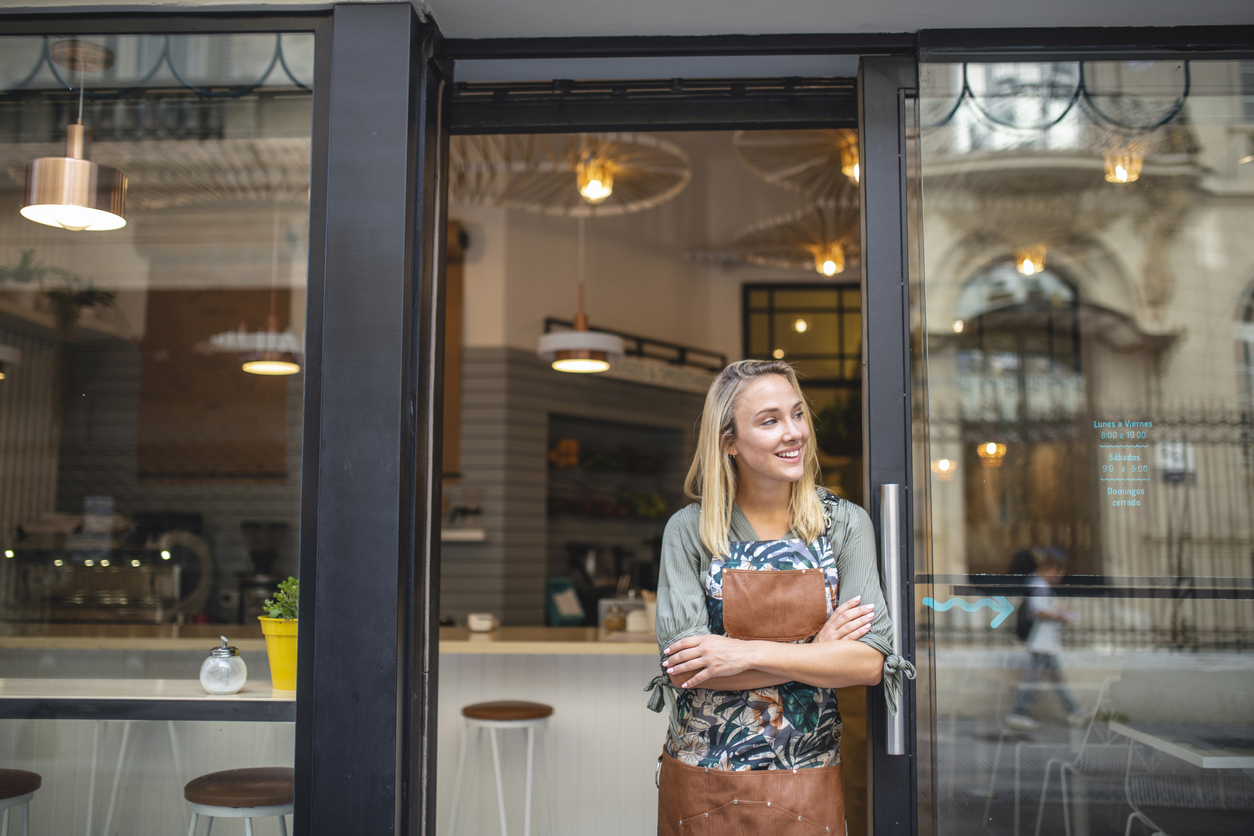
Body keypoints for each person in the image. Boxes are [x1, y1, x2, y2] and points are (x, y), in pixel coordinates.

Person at [646, 359, 914, 836]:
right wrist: (817, 654)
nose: (793, 432)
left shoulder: (843, 525)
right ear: (728, 441)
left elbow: (870, 663)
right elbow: (688, 670)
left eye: (797, 414)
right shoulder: (689, 531)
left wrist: (741, 653)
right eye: (769, 420)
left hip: (807, 773)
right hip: (704, 777)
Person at [1004, 547, 1086, 731]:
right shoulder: (1040, 586)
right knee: (1034, 681)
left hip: (1045, 642)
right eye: (1059, 573)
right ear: (1051, 570)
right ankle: (1018, 713)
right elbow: (1038, 612)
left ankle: (1075, 711)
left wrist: (1059, 614)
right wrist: (1061, 615)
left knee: (1055, 679)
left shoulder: (1038, 585)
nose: (1060, 578)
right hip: (1041, 642)